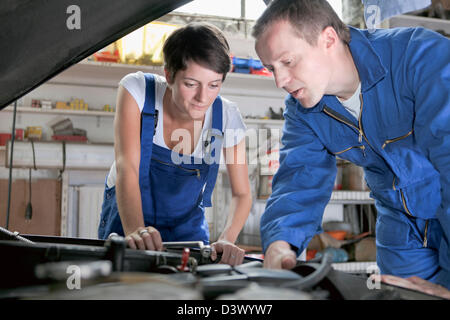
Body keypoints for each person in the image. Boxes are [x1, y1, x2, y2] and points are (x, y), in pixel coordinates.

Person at [252, 0, 450, 291]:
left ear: (329, 39)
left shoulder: (419, 57)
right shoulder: (302, 110)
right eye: (271, 68)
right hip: (400, 228)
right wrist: (280, 245)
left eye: (288, 62)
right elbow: (298, 178)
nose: (280, 80)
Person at [98, 23, 252, 266]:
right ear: (169, 74)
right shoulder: (137, 90)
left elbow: (242, 193)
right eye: (191, 84)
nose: (203, 98)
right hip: (128, 220)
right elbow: (127, 167)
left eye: (214, 85)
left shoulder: (227, 116)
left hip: (187, 234)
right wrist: (136, 229)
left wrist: (226, 239)